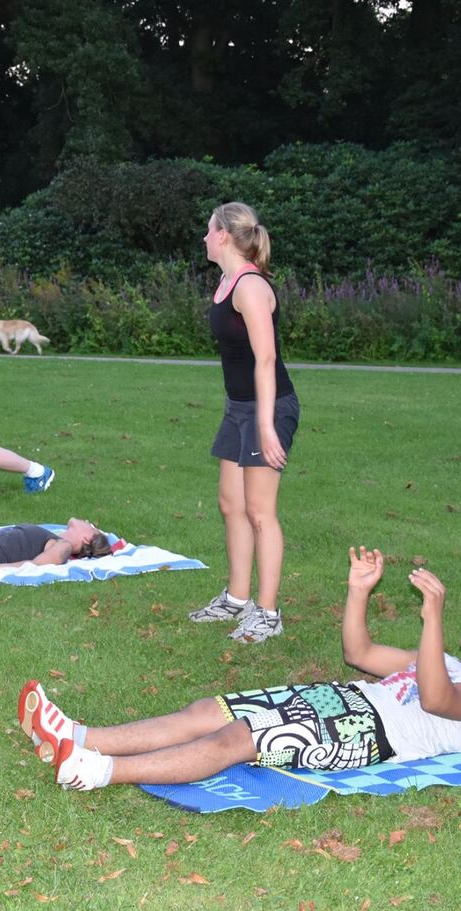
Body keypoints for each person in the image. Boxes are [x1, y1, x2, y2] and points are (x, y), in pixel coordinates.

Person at [17, 547, 461, 791]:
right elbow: (359, 654)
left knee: (239, 739)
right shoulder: (444, 659)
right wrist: (358, 591)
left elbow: (435, 700)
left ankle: (95, 771)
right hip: (344, 700)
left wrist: (433, 620)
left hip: (369, 733)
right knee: (210, 711)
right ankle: (77, 735)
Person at [187, 202, 300, 645]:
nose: (203, 237)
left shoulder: (250, 286)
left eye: (208, 229)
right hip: (240, 407)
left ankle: (268, 613)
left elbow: (266, 358)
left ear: (223, 236)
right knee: (231, 505)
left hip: (267, 408)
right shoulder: (227, 280)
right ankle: (237, 599)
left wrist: (267, 426)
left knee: (259, 512)